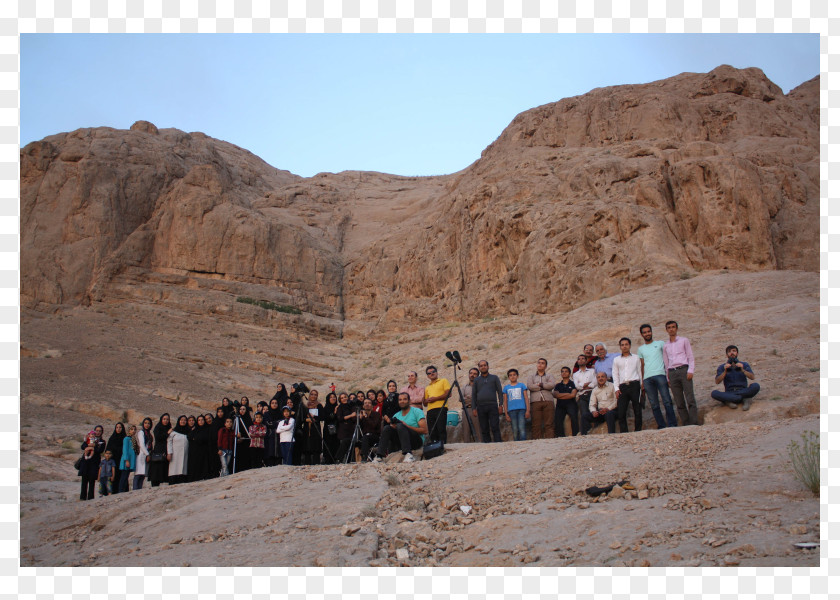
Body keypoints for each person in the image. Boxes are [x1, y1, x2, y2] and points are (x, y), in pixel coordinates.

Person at [638, 324, 678, 429]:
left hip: (660, 375)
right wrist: (642, 381)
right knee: (654, 404)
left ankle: (672, 424)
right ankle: (661, 426)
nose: (647, 334)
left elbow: (667, 358)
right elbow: (642, 365)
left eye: (648, 331)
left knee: (667, 401)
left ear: (651, 332)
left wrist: (668, 375)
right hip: (647, 378)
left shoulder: (660, 344)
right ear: (642, 334)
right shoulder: (640, 349)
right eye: (645, 332)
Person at [374, 392, 428, 463]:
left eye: (405, 399)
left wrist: (406, 426)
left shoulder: (417, 411)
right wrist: (392, 427)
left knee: (400, 425)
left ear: (409, 401)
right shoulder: (396, 415)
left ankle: (408, 454)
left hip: (416, 441)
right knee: (387, 428)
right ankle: (379, 456)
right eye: (400, 400)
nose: (402, 401)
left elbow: (425, 430)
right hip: (400, 443)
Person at [663, 320, 698, 426]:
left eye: (673, 327)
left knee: (690, 398)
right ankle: (686, 423)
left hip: (683, 369)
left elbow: (690, 356)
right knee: (679, 400)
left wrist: (690, 370)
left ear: (676, 328)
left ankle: (694, 422)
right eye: (669, 327)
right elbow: (666, 362)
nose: (671, 329)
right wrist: (668, 378)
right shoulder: (665, 346)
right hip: (672, 372)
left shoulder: (684, 341)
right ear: (666, 330)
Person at [711, 345, 761, 411]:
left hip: (743, 390)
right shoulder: (722, 367)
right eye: (729, 351)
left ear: (737, 353)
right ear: (726, 355)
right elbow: (717, 381)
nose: (732, 353)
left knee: (756, 386)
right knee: (714, 393)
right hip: (730, 392)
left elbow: (752, 377)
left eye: (734, 351)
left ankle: (730, 400)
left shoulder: (744, 364)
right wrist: (725, 371)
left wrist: (742, 369)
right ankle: (744, 399)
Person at [612, 337, 643, 433]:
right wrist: (616, 388)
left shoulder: (636, 357)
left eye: (626, 344)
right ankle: (624, 431)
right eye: (622, 345)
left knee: (637, 409)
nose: (624, 346)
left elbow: (639, 371)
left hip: (634, 384)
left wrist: (642, 385)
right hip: (623, 386)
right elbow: (615, 374)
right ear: (620, 347)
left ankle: (638, 430)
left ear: (629, 345)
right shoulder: (616, 360)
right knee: (621, 411)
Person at [471, 361, 504, 443]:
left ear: (488, 366)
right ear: (479, 368)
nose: (483, 367)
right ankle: (487, 446)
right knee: (484, 428)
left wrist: (501, 405)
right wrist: (474, 408)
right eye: (481, 366)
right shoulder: (476, 380)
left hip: (492, 405)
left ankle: (498, 444)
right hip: (481, 406)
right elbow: (474, 395)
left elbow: (500, 392)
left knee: (495, 426)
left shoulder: (494, 378)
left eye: (484, 365)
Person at [526, 358, 556, 439]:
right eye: (539, 362)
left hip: (548, 401)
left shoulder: (550, 376)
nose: (540, 364)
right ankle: (536, 442)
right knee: (536, 424)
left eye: (542, 363)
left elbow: (552, 385)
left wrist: (540, 385)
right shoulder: (531, 376)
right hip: (535, 401)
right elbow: (530, 386)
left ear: (546, 366)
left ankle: (550, 440)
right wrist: (544, 386)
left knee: (549, 423)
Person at [423, 365, 451, 444]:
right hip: (430, 410)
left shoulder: (443, 381)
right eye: (429, 373)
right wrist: (426, 400)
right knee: (432, 431)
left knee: (441, 429)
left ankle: (443, 446)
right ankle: (435, 448)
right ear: (427, 376)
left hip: (441, 408)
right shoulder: (427, 387)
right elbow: (424, 404)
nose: (431, 374)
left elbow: (448, 394)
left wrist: (435, 398)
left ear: (437, 372)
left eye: (433, 372)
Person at [78, 425, 105, 500]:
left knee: (92, 481)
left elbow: (100, 451)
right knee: (84, 481)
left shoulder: (102, 442)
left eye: (100, 431)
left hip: (94, 463)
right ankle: (82, 498)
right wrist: (90, 445)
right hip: (86, 462)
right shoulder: (89, 439)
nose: (98, 432)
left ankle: (90, 498)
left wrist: (94, 446)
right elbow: (83, 446)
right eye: (97, 430)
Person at [572, 354, 597, 435]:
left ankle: (597, 428)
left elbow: (595, 383)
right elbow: (577, 386)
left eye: (583, 359)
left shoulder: (592, 371)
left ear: (586, 361)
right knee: (584, 412)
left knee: (595, 410)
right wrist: (585, 385)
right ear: (577, 361)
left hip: (592, 393)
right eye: (579, 359)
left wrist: (584, 385)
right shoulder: (575, 374)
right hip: (582, 395)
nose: (581, 360)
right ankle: (587, 431)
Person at [504, 368, 530, 441]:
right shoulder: (506, 388)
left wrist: (528, 410)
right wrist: (506, 414)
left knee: (522, 428)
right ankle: (516, 443)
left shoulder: (522, 385)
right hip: (511, 411)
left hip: (522, 409)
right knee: (515, 429)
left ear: (517, 376)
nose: (512, 376)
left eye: (514, 375)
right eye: (510, 375)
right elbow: (505, 401)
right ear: (508, 377)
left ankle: (523, 443)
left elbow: (526, 398)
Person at [552, 367, 578, 437]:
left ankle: (575, 435)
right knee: (558, 420)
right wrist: (568, 394)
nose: (564, 373)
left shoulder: (573, 384)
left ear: (569, 373)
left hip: (571, 404)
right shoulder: (558, 385)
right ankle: (560, 436)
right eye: (562, 371)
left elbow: (573, 395)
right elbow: (555, 395)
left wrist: (561, 395)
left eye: (566, 371)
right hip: (560, 405)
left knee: (574, 418)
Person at [299, 389, 323, 465]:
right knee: (307, 447)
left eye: (315, 394)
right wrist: (306, 419)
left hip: (315, 428)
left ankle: (316, 464)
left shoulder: (319, 405)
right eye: (312, 394)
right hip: (307, 429)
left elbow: (322, 417)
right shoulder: (305, 405)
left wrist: (314, 418)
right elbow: (301, 417)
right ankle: (307, 464)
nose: (313, 396)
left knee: (316, 447)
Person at [336, 392, 360, 463]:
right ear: (340, 399)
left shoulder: (351, 406)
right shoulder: (340, 407)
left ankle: (350, 460)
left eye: (345, 397)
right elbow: (340, 418)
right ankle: (340, 459)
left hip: (351, 428)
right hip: (343, 429)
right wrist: (351, 415)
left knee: (351, 444)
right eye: (342, 398)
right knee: (344, 444)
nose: (344, 399)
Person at [148, 414, 171, 487]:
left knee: (163, 470)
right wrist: (167, 433)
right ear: (161, 419)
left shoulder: (169, 427)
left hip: (166, 451)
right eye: (164, 419)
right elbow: (158, 437)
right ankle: (154, 485)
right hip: (158, 451)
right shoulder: (158, 428)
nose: (166, 421)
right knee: (156, 470)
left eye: (167, 419)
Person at [187, 414, 211, 481]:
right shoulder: (195, 429)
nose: (201, 421)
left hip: (204, 451)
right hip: (196, 452)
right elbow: (189, 437)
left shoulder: (207, 429)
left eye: (202, 420)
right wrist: (197, 438)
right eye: (199, 420)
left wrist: (196, 439)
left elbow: (206, 438)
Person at [167, 415, 190, 485]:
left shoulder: (188, 431)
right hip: (174, 454)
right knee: (174, 469)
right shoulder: (174, 432)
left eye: (184, 420)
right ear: (179, 421)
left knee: (183, 469)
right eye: (181, 420)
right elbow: (169, 442)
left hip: (185, 454)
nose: (183, 421)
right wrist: (169, 453)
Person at [104, 423, 126, 495]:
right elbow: (108, 450)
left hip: (121, 461)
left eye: (120, 427)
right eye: (117, 427)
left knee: (120, 476)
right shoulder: (112, 438)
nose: (118, 429)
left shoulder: (124, 438)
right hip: (112, 461)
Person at [133, 417, 153, 490]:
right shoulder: (141, 432)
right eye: (145, 423)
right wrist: (147, 454)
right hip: (141, 454)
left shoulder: (149, 434)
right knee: (138, 474)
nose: (147, 425)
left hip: (146, 454)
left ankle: (139, 489)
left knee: (143, 475)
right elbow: (141, 444)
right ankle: (135, 490)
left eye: (148, 423)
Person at [263, 398, 283, 467]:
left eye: (276, 403)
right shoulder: (266, 414)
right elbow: (267, 424)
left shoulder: (281, 413)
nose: (274, 404)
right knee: (270, 452)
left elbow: (282, 423)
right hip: (269, 436)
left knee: (278, 454)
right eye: (272, 403)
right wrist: (277, 422)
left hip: (279, 436)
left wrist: (273, 423)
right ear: (270, 404)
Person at [321, 392, 340, 465]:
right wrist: (334, 413)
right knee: (328, 445)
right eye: (331, 397)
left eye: (334, 397)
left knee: (336, 445)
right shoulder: (326, 408)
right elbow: (325, 418)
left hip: (337, 430)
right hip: (328, 430)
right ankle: (328, 461)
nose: (333, 398)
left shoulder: (338, 407)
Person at [119, 425, 137, 492]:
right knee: (124, 476)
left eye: (134, 429)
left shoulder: (132, 439)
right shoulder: (126, 439)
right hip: (126, 460)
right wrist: (126, 460)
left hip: (131, 459)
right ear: (128, 430)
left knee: (126, 476)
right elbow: (125, 450)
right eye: (131, 429)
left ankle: (124, 490)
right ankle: (121, 491)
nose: (133, 431)